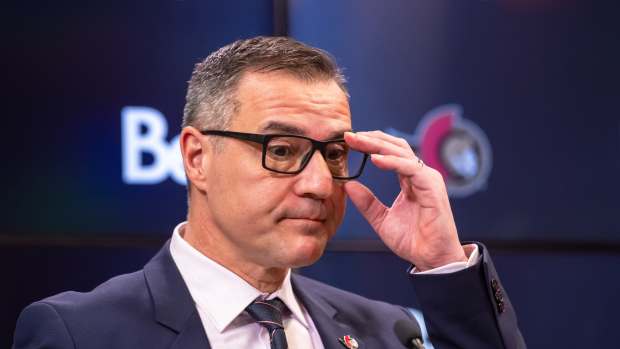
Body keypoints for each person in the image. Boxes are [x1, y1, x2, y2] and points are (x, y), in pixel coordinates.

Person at [13, 36, 525, 349]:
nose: (321, 184)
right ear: (196, 157)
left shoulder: (384, 333)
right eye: (281, 150)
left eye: (334, 153)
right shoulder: (81, 334)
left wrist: (444, 265)